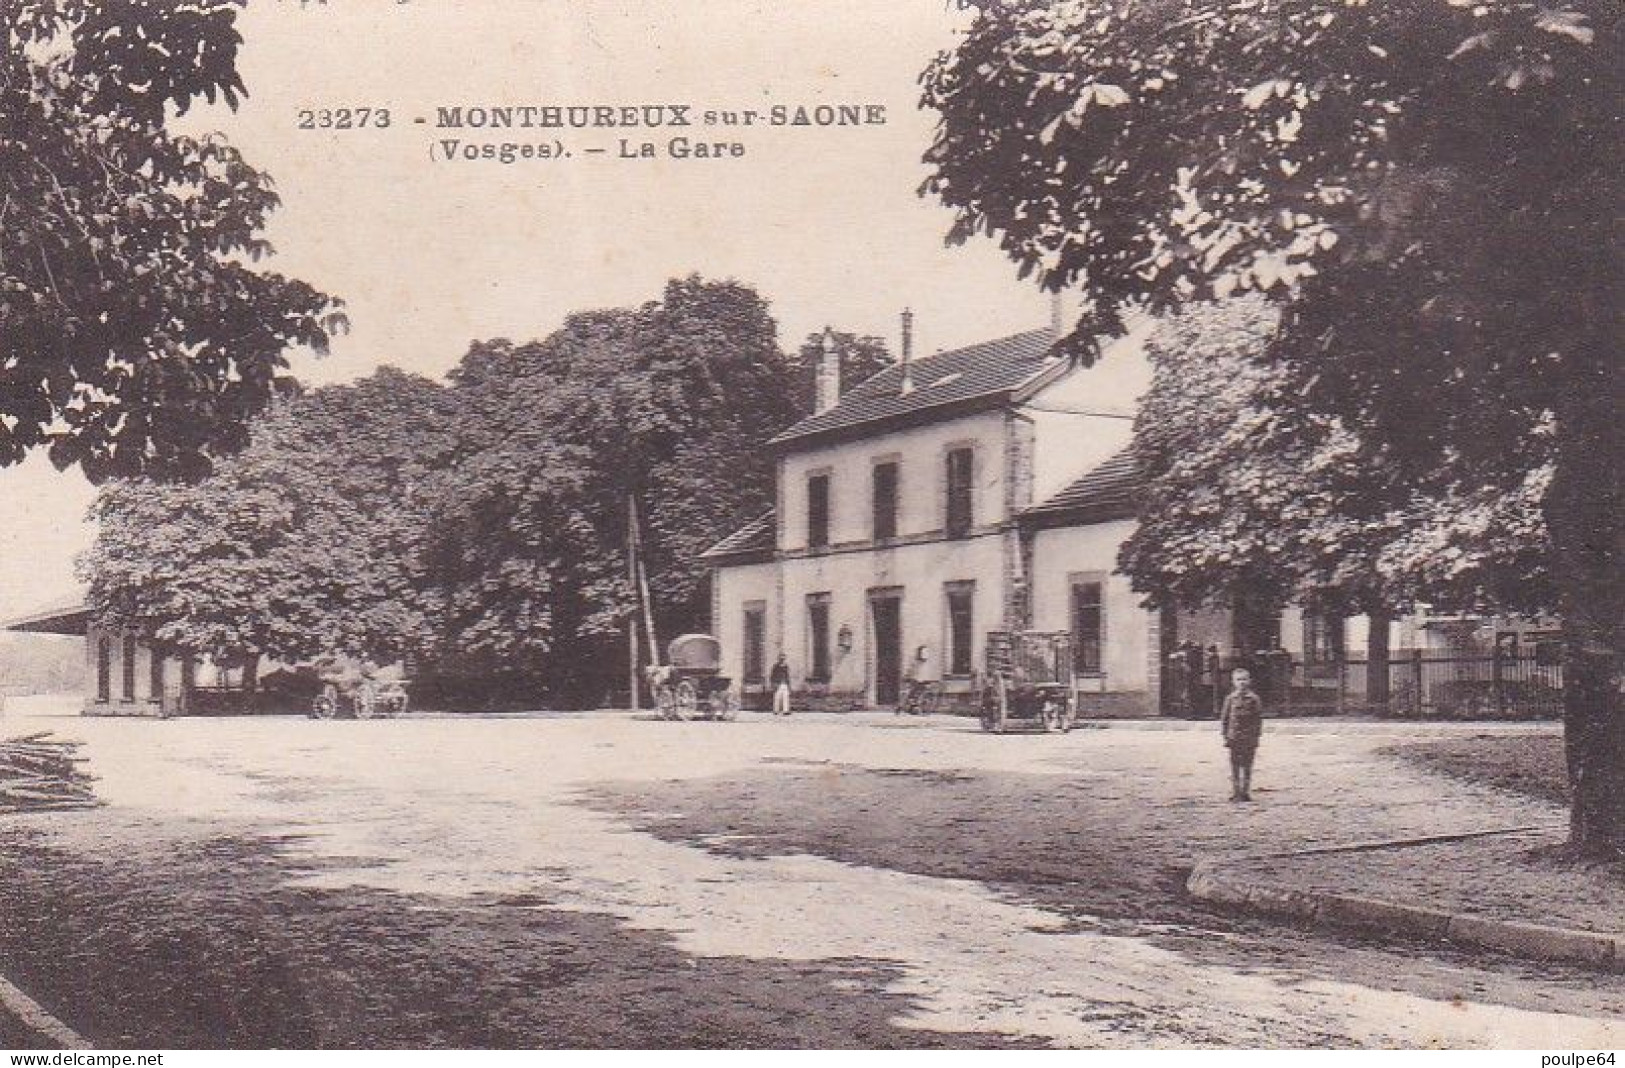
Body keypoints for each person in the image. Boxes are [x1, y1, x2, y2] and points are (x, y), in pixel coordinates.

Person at [1220, 667, 1264, 801]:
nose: (1242, 682)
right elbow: (1225, 718)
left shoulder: (1254, 699)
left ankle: (1245, 792)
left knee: (1247, 765)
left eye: (1244, 679)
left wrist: (1256, 736)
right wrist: (1226, 736)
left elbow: (1258, 719)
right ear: (1233, 682)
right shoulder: (1230, 699)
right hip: (1234, 737)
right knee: (1234, 766)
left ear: (1249, 681)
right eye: (1239, 680)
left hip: (1249, 738)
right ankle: (1236, 791)